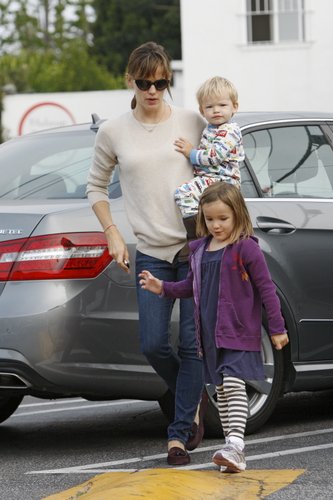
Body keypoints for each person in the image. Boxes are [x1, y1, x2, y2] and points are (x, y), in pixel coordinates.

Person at [86, 41, 206, 466]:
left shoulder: (192, 121)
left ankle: (178, 434)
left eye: (160, 83)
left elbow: (221, 168)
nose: (152, 90)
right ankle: (190, 396)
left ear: (167, 81)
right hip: (151, 252)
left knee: (192, 346)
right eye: (144, 82)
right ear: (130, 79)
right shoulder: (113, 131)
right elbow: (96, 186)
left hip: (194, 249)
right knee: (153, 344)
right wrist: (112, 232)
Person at [139, 182, 289, 473]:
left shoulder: (245, 248)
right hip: (210, 336)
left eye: (223, 218)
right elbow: (189, 287)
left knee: (233, 384)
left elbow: (266, 289)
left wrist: (277, 327)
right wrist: (162, 288)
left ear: (238, 215)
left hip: (238, 329)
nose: (216, 225)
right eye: (209, 219)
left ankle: (235, 445)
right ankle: (233, 451)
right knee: (221, 389)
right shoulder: (200, 250)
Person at [173, 76, 245, 251]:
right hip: (211, 179)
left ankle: (196, 238)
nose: (216, 110)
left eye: (222, 105)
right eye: (210, 107)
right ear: (201, 110)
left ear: (235, 106)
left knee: (183, 192)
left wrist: (191, 153)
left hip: (224, 182)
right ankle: (204, 235)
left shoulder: (230, 131)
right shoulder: (211, 129)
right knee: (191, 196)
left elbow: (214, 157)